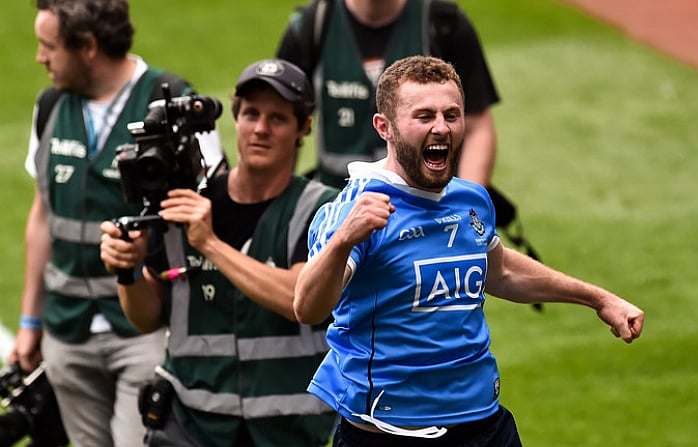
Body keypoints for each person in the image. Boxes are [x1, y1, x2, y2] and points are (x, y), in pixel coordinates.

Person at [293, 55, 645, 446]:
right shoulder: (358, 208)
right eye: (424, 116)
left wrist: (598, 299)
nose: (441, 128)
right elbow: (308, 307)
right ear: (385, 127)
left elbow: (502, 271)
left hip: (484, 426)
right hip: (389, 432)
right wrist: (343, 240)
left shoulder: (470, 199)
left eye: (452, 114)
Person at [7, 1, 226, 446]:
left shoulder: (175, 103)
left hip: (144, 331)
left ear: (87, 46)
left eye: (49, 46)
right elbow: (42, 215)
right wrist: (31, 322)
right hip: (67, 334)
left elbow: (214, 212)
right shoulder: (49, 106)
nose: (39, 57)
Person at [98, 58, 339, 447]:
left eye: (277, 119)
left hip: (286, 430)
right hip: (191, 426)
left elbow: (300, 298)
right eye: (251, 114)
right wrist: (127, 270)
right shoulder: (184, 203)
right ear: (236, 117)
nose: (260, 129)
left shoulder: (321, 210)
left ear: (304, 129)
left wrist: (210, 244)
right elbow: (147, 317)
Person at [276, 0, 499, 190]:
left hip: (427, 210)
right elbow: (282, 124)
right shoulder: (312, 25)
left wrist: (467, 206)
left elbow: (476, 127)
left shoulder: (444, 24)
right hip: (334, 203)